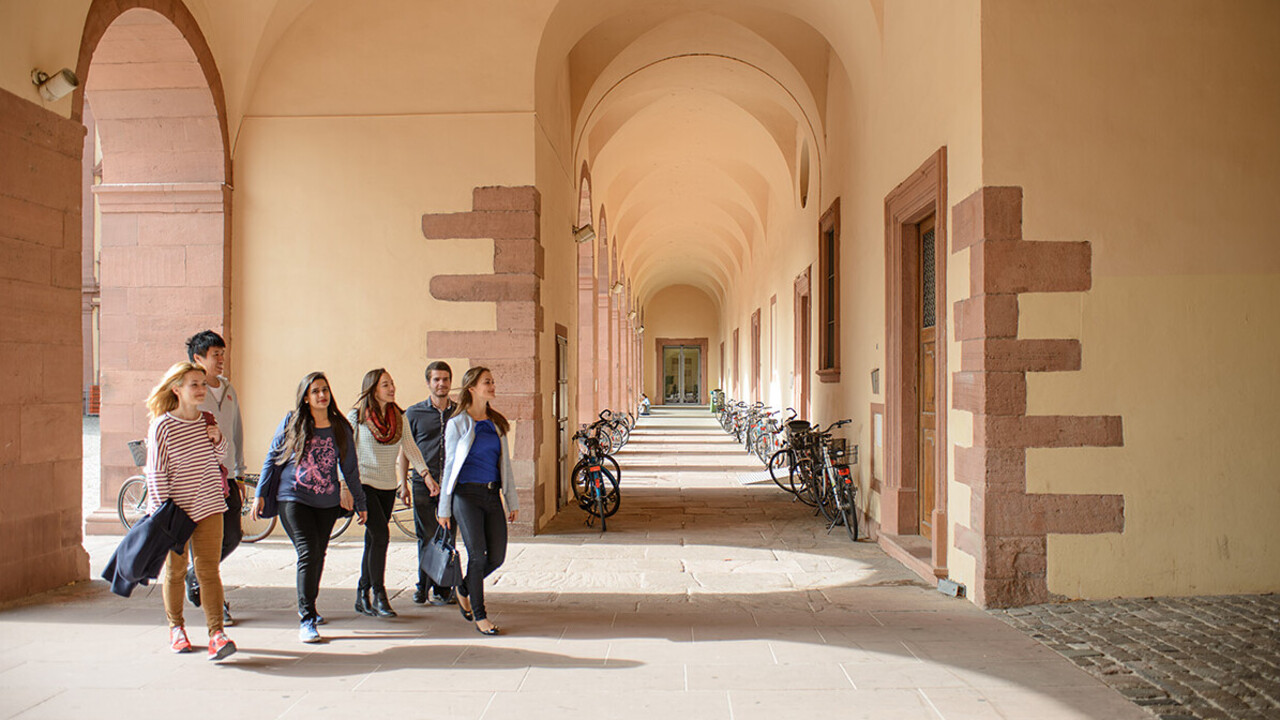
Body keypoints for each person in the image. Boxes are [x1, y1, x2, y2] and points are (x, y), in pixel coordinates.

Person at [254, 372, 367, 643]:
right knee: (308, 552)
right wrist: (260, 493)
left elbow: (350, 469)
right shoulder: (292, 422)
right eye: (315, 391)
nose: (321, 395)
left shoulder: (340, 427)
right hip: (293, 498)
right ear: (306, 397)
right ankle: (306, 618)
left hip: (326, 502)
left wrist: (360, 502)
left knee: (318, 553)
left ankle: (311, 608)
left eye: (325, 390)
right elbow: (272, 458)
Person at [143, 361, 237, 661]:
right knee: (175, 571)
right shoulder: (163, 425)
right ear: (177, 389)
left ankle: (216, 634)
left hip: (210, 504)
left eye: (201, 383)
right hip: (176, 511)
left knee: (209, 570)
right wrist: (162, 515)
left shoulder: (206, 419)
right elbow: (155, 473)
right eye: (193, 384)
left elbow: (221, 456)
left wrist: (217, 438)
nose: (200, 389)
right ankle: (177, 628)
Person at [437, 366, 519, 636]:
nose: (493, 385)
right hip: (465, 495)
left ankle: (463, 587)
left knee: (496, 556)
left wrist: (512, 500)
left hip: (491, 493)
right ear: (471, 388)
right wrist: (444, 508)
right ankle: (480, 615)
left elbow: (504, 464)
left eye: (493, 381)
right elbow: (449, 467)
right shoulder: (457, 423)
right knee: (477, 554)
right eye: (487, 382)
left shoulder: (497, 423)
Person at [348, 368, 431, 618]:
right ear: (373, 389)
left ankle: (362, 594)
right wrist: (344, 484)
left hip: (386, 486)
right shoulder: (357, 416)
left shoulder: (398, 416)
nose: (392, 388)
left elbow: (411, 447)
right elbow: (345, 452)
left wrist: (426, 475)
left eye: (392, 383)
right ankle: (379, 594)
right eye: (386, 385)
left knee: (372, 540)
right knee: (381, 535)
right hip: (364, 485)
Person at [183, 330, 245, 626]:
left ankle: (195, 574)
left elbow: (236, 434)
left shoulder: (228, 389)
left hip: (228, 477)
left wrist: (240, 474)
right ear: (198, 358)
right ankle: (216, 604)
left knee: (233, 536)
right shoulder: (189, 392)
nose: (221, 359)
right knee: (208, 542)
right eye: (214, 354)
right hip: (201, 480)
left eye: (222, 353)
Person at [401, 361, 454, 606]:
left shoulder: (460, 412)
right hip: (423, 483)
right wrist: (403, 483)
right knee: (427, 535)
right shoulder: (413, 413)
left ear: (450, 382)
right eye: (436, 379)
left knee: (447, 537)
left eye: (445, 379)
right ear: (428, 383)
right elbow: (406, 451)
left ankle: (442, 589)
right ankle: (423, 586)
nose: (441, 383)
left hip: (452, 486)